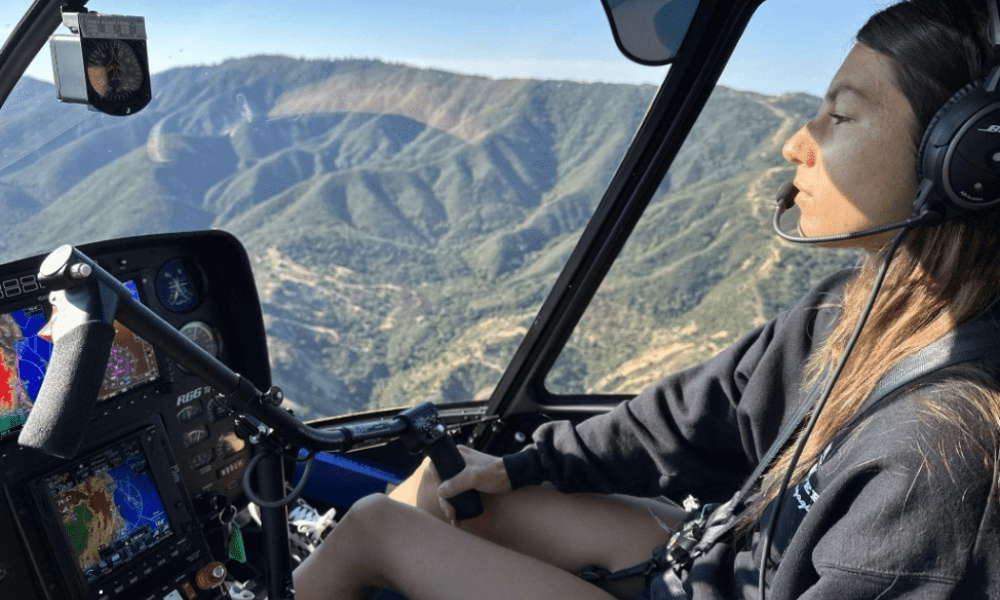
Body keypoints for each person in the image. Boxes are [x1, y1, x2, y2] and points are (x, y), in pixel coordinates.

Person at [292, 1, 1000, 598]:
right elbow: (690, 415)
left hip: (731, 576)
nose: (795, 144)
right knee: (440, 487)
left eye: (840, 118)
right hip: (726, 558)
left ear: (965, 157)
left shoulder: (939, 454)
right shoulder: (848, 313)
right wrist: (517, 467)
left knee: (371, 528)